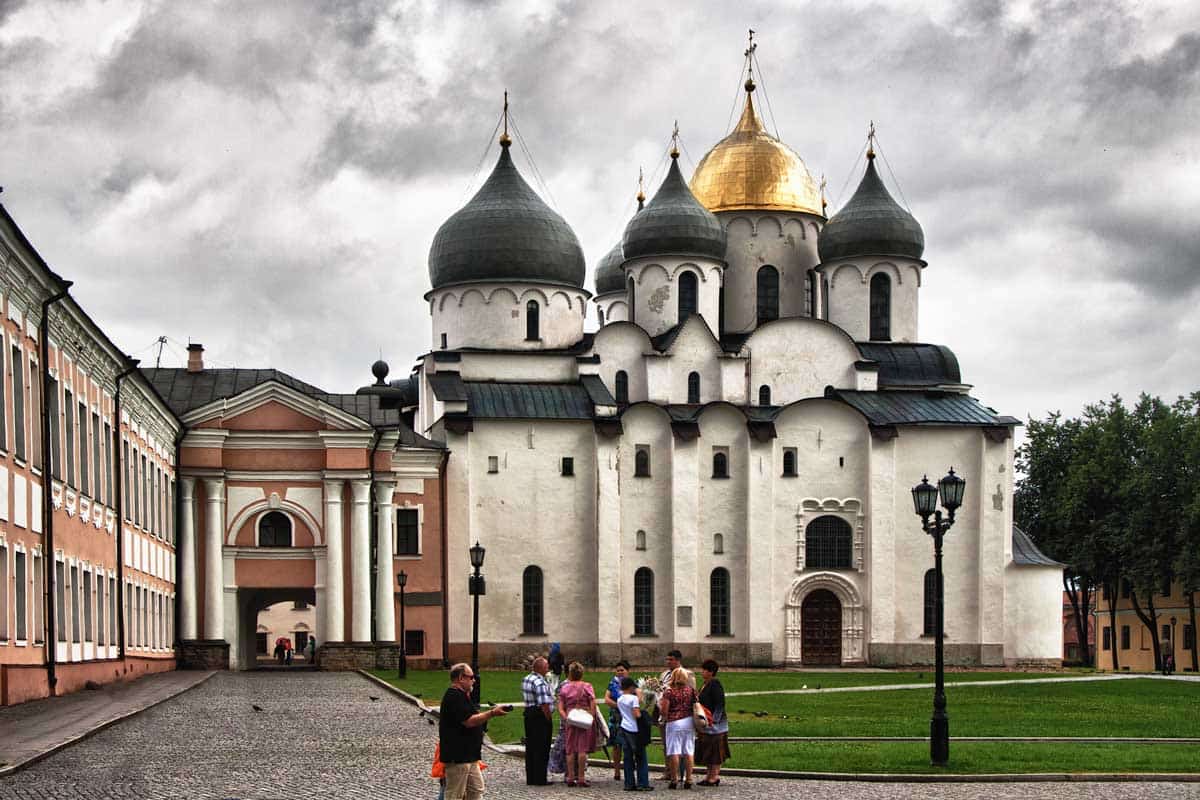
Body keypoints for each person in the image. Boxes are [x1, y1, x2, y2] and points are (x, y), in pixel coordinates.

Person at [439, 663, 508, 800]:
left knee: (476, 790)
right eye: (471, 677)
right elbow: (468, 721)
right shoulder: (453, 696)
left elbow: (473, 718)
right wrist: (492, 713)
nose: (474, 680)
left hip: (470, 756)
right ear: (460, 678)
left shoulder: (463, 696)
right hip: (457, 756)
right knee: (455, 795)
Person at [556, 660, 598, 787]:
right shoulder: (587, 686)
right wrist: (591, 716)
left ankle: (570, 777)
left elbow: (560, 707)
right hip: (584, 718)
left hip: (571, 718)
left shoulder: (565, 687)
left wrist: (566, 717)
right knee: (582, 749)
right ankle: (581, 777)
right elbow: (593, 703)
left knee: (570, 749)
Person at [658, 667, 698, 790]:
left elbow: (664, 710)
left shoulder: (669, 692)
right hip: (688, 721)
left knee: (674, 751)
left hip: (674, 722)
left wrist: (659, 706)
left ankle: (674, 779)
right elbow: (695, 705)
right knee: (688, 750)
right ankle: (689, 778)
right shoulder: (690, 690)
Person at [695, 659, 730, 787]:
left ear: (711, 672)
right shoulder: (705, 684)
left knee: (716, 752)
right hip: (706, 722)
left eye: (704, 670)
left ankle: (714, 777)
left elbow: (720, 703)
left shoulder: (715, 684)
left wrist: (714, 720)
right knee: (708, 751)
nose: (702, 672)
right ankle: (708, 775)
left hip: (716, 725)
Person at [521, 657, 554, 786]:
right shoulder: (539, 682)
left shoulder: (527, 678)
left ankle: (531, 777)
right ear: (540, 668)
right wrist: (549, 718)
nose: (548, 668)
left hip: (529, 714)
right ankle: (540, 778)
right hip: (539, 716)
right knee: (542, 747)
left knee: (531, 747)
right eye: (546, 666)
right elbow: (544, 704)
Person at [617, 676, 653, 792]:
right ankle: (643, 783)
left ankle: (629, 783)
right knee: (641, 757)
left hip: (624, 727)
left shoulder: (620, 698)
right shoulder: (633, 699)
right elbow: (636, 714)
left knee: (627, 757)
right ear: (631, 687)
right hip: (634, 729)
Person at [605, 660, 632, 781]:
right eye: (618, 670)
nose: (620, 672)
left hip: (628, 716)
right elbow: (607, 699)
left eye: (622, 670)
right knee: (616, 745)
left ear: (628, 671)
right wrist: (619, 705)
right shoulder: (613, 683)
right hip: (616, 717)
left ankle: (628, 769)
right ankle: (616, 771)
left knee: (628, 744)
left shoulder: (632, 684)